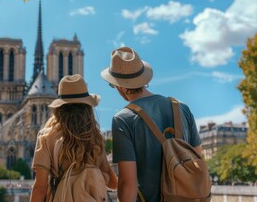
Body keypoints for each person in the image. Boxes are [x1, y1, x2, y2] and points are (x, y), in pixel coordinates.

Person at [100, 47, 202, 202]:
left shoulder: (123, 119)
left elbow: (128, 183)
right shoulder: (181, 108)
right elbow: (198, 159)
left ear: (121, 86)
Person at [30, 74, 118, 202]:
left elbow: (39, 188)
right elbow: (112, 183)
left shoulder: (46, 137)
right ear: (88, 107)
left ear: (59, 108)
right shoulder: (94, 137)